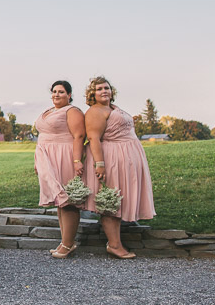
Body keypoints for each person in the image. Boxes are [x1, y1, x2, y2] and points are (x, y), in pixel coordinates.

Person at [83, 76, 156, 260]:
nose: (104, 91)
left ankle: (116, 242)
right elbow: (93, 138)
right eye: (99, 89)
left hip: (127, 158)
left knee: (119, 199)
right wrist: (100, 164)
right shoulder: (95, 111)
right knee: (111, 201)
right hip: (112, 158)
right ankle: (114, 245)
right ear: (92, 94)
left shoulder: (113, 109)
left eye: (106, 87)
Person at [33, 81, 88, 259]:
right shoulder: (50, 111)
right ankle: (65, 241)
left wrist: (77, 160)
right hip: (47, 157)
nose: (57, 94)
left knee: (68, 200)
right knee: (59, 201)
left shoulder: (72, 111)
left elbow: (79, 135)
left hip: (64, 155)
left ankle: (68, 243)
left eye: (61, 92)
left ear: (69, 95)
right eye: (54, 91)